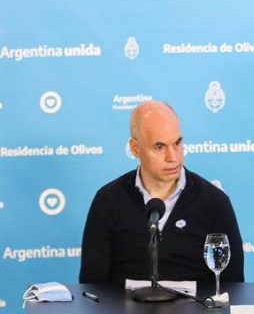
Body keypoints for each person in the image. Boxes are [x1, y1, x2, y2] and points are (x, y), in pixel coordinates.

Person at [79, 101, 244, 284]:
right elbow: (92, 285)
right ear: (135, 149)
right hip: (126, 312)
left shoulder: (214, 202)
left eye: (177, 143)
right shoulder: (108, 200)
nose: (172, 157)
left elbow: (232, 285)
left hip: (196, 311)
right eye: (159, 147)